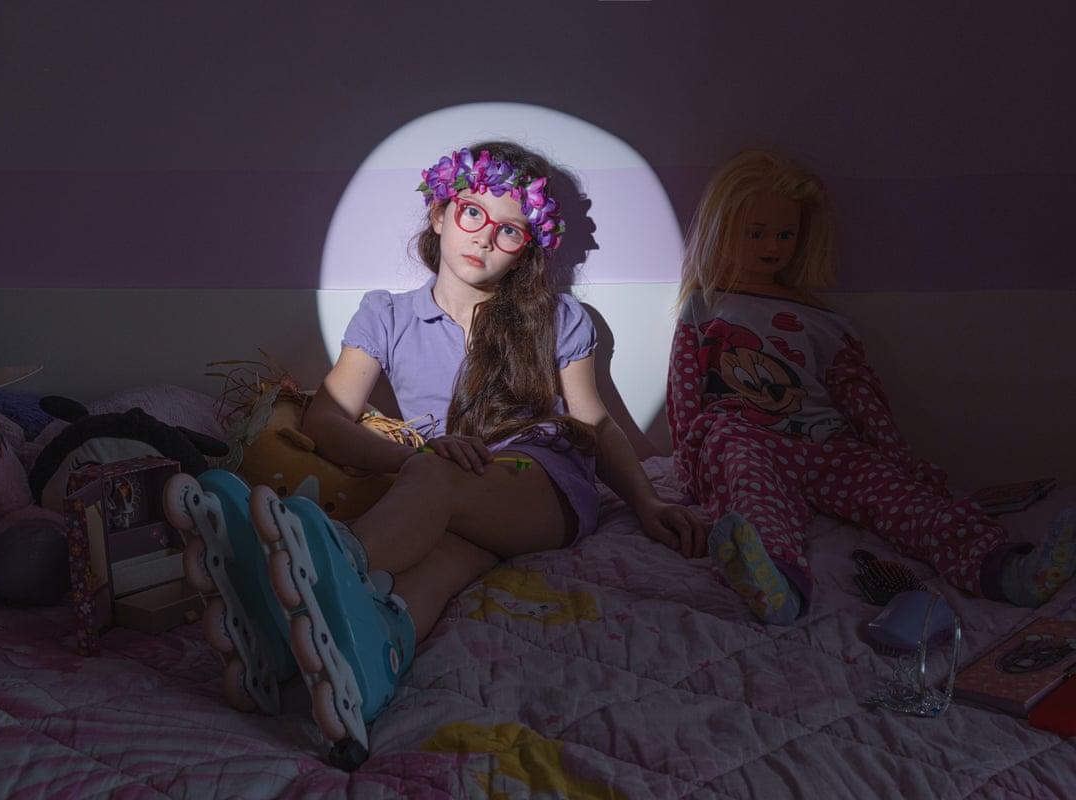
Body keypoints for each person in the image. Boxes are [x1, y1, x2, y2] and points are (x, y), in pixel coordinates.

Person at [184, 141, 707, 762]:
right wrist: (417, 454)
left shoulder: (559, 317)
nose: (484, 238)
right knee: (442, 562)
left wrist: (646, 503)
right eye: (473, 214)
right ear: (439, 216)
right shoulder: (386, 316)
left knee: (437, 481)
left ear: (525, 253)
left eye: (509, 230)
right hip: (458, 489)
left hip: (542, 482)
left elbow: (594, 421)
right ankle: (373, 654)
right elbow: (326, 419)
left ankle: (299, 585)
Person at [665, 149, 1076, 625]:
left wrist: (895, 458)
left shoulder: (821, 317)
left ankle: (1009, 571)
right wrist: (690, 461)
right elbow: (684, 388)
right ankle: (777, 584)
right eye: (756, 233)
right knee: (751, 491)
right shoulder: (706, 306)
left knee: (904, 501)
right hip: (744, 434)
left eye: (785, 233)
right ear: (723, 231)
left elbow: (857, 392)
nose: (772, 245)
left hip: (826, 441)